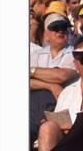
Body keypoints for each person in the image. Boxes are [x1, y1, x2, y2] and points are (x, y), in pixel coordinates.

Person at [30, 11, 78, 142]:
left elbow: (61, 76)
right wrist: (50, 85)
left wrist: (31, 72)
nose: (60, 31)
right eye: (55, 28)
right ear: (46, 35)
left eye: (63, 28)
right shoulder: (36, 54)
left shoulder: (74, 53)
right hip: (36, 106)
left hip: (61, 106)